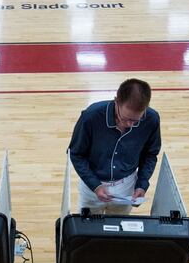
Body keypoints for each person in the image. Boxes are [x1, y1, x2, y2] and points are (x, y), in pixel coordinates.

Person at [68, 78, 161, 215]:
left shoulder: (151, 119)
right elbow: (76, 154)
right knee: (88, 230)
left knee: (118, 231)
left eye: (136, 120)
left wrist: (142, 184)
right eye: (125, 118)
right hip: (92, 186)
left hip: (126, 188)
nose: (130, 124)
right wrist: (95, 185)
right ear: (116, 101)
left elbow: (150, 155)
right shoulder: (91, 117)